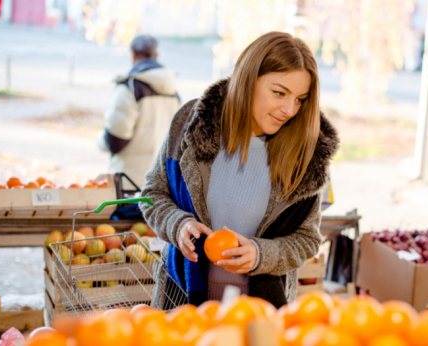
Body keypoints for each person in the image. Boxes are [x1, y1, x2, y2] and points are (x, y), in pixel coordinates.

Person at [140, 31, 339, 308]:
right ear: (247, 79)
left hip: (259, 312)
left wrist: (261, 255)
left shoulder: (307, 154)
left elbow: (307, 240)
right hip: (182, 302)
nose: (289, 110)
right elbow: (152, 194)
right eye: (279, 93)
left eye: (299, 99)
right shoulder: (190, 123)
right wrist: (178, 224)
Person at [97, 34, 181, 188]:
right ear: (156, 55)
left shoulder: (129, 88)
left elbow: (115, 141)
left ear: (132, 54)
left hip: (129, 185)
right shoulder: (173, 92)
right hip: (160, 185)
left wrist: (100, 141)